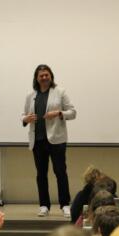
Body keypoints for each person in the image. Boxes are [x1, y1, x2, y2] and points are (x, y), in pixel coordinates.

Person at [22, 64, 76, 217]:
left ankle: (65, 205)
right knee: (41, 174)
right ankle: (44, 205)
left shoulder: (60, 92)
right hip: (37, 141)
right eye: (41, 75)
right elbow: (23, 115)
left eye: (47, 75)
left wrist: (59, 113)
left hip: (56, 140)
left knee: (60, 172)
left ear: (51, 76)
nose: (44, 77)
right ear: (37, 78)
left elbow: (72, 112)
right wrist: (26, 118)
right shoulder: (30, 95)